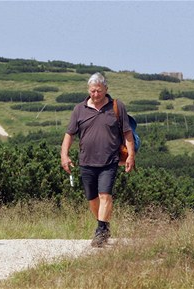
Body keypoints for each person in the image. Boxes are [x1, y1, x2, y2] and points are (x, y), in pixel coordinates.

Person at [60, 72, 135, 247]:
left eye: (99, 91)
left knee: (104, 194)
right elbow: (69, 134)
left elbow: (127, 132)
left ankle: (101, 231)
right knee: (92, 198)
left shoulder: (117, 107)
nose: (96, 94)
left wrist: (131, 155)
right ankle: (104, 226)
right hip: (86, 161)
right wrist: (64, 155)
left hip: (110, 161)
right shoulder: (79, 109)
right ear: (88, 90)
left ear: (106, 89)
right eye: (93, 91)